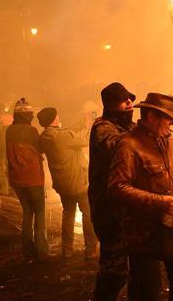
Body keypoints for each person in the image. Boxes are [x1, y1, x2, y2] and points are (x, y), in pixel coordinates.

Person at [109, 92, 173, 301]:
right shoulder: (129, 146)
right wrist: (162, 203)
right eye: (167, 117)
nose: (171, 122)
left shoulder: (172, 140)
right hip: (144, 235)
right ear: (151, 117)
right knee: (148, 292)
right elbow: (117, 187)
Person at [89, 82, 135, 300]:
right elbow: (121, 149)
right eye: (123, 100)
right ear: (110, 104)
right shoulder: (103, 128)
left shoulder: (130, 128)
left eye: (130, 99)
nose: (129, 103)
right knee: (114, 272)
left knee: (138, 268)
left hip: (129, 208)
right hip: (109, 210)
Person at [38, 107, 97, 259]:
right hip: (78, 183)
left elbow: (66, 132)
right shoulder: (63, 137)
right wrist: (90, 125)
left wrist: (81, 122)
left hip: (62, 185)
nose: (59, 117)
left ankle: (67, 250)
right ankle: (90, 250)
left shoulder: (45, 137)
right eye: (57, 116)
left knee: (68, 214)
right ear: (53, 120)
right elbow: (85, 140)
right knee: (88, 214)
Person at [6, 98, 49, 260]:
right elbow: (41, 149)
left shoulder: (9, 130)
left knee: (27, 212)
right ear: (28, 116)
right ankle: (41, 249)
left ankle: (27, 249)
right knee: (39, 212)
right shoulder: (31, 131)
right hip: (33, 178)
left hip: (16, 179)